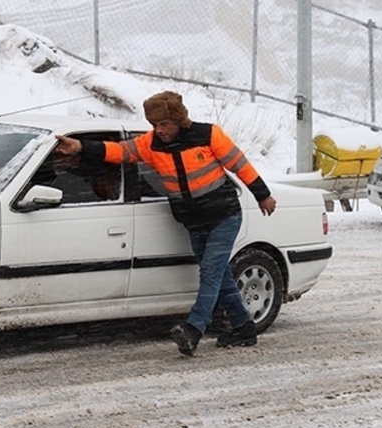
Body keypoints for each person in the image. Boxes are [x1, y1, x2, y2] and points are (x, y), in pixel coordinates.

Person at [55, 91, 276, 357]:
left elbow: (240, 165)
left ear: (179, 120)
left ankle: (194, 328)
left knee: (210, 272)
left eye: (164, 124)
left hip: (224, 216)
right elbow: (119, 152)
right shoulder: (150, 144)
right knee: (220, 276)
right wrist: (79, 147)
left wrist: (263, 195)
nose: (158, 130)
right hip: (193, 221)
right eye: (154, 125)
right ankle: (243, 327)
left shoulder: (209, 135)